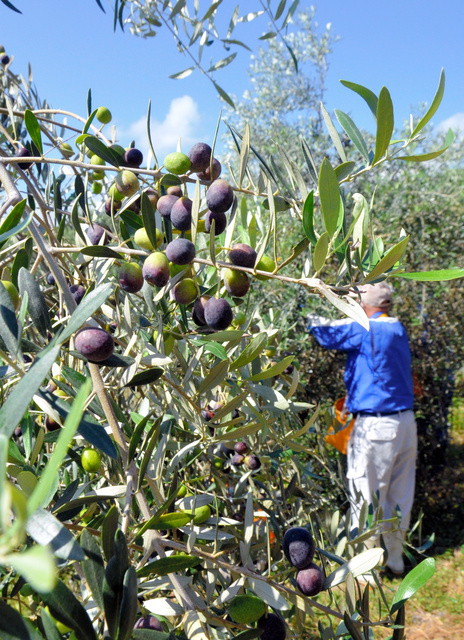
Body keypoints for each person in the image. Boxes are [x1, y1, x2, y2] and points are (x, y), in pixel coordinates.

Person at [308, 282, 417, 575]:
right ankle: (395, 559)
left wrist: (305, 307)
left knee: (365, 494)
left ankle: (366, 566)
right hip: (405, 423)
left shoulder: (367, 327)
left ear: (363, 303)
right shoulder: (396, 327)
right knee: (399, 493)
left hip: (377, 425)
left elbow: (325, 332)